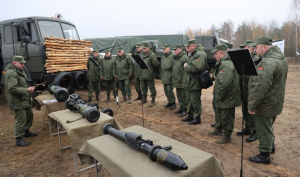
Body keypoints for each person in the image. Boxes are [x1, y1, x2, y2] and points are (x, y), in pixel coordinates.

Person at [248, 37, 288, 164]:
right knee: (268, 126)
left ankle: (264, 154)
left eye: (256, 47)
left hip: (265, 104)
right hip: (275, 101)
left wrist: (252, 105)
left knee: (263, 128)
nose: (255, 50)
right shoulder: (280, 59)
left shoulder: (268, 63)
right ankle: (271, 146)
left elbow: (261, 88)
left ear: (264, 47)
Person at [208, 44, 241, 144]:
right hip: (223, 94)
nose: (214, 56)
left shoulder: (227, 64)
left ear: (222, 54)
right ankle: (218, 128)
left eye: (216, 54)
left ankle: (227, 136)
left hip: (227, 96)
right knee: (220, 113)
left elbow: (225, 83)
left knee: (227, 116)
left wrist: (219, 95)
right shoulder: (222, 62)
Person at [4, 55, 37, 146]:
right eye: (21, 63)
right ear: (14, 63)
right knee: (21, 120)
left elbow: (21, 85)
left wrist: (28, 88)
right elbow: (12, 89)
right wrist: (27, 90)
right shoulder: (11, 73)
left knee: (29, 115)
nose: (23, 65)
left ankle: (26, 131)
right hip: (17, 101)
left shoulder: (19, 71)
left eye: (24, 63)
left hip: (24, 100)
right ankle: (18, 139)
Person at [236, 40, 259, 142]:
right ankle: (248, 127)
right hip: (243, 89)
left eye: (245, 47)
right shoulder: (244, 59)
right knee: (245, 109)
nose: (243, 50)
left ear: (250, 48)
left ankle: (255, 131)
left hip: (251, 90)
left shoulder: (256, 59)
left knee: (251, 112)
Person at [181, 39, 207, 125]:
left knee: (195, 101)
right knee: (191, 100)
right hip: (190, 81)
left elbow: (197, 68)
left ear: (193, 46)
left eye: (187, 46)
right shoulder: (193, 53)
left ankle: (197, 117)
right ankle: (190, 114)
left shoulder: (200, 54)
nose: (186, 48)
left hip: (195, 81)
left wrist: (186, 66)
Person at [139, 43, 159, 107]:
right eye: (143, 48)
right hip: (142, 74)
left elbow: (156, 65)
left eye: (144, 48)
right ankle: (144, 99)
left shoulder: (152, 55)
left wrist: (151, 70)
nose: (143, 50)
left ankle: (153, 100)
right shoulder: (142, 55)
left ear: (148, 48)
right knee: (143, 87)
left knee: (151, 88)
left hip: (149, 74)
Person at [172, 44, 189, 117]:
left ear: (179, 50)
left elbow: (187, 69)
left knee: (184, 95)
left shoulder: (184, 57)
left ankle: (185, 109)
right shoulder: (176, 58)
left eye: (175, 50)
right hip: (177, 80)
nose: (174, 51)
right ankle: (181, 107)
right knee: (179, 95)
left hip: (182, 80)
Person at [161, 44, 176, 110]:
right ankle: (169, 101)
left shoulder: (173, 56)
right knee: (166, 90)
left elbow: (174, 67)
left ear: (168, 49)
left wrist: (173, 76)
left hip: (170, 76)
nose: (163, 50)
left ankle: (173, 102)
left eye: (164, 49)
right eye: (163, 49)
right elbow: (161, 68)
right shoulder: (163, 58)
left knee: (169, 90)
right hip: (164, 76)